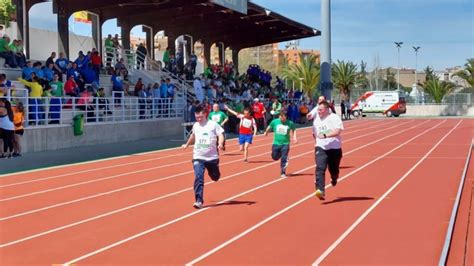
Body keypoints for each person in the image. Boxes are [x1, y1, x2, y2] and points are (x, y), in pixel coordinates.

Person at [182, 105, 224, 209]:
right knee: (198, 177)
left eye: (200, 117)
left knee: (215, 177)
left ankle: (213, 172)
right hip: (198, 156)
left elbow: (221, 134)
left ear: (205, 114)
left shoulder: (213, 125)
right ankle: (198, 200)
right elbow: (193, 136)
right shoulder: (196, 125)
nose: (199, 119)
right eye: (197, 117)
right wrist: (187, 144)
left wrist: (221, 143)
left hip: (212, 157)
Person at [313, 101, 344, 200]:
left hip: (334, 148)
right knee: (320, 168)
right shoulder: (316, 120)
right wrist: (317, 141)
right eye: (318, 110)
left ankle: (334, 177)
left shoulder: (334, 117)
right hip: (321, 147)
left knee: (333, 169)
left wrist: (326, 135)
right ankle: (320, 190)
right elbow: (315, 133)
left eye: (321, 110)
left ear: (326, 110)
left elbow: (338, 131)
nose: (318, 111)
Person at [264, 112, 298, 178]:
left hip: (285, 143)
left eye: (283, 117)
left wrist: (294, 138)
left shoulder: (290, 123)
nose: (281, 118)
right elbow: (270, 126)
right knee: (274, 157)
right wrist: (266, 132)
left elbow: (294, 130)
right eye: (280, 117)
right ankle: (280, 155)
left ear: (286, 117)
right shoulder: (275, 121)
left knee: (283, 158)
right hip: (276, 143)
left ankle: (283, 172)